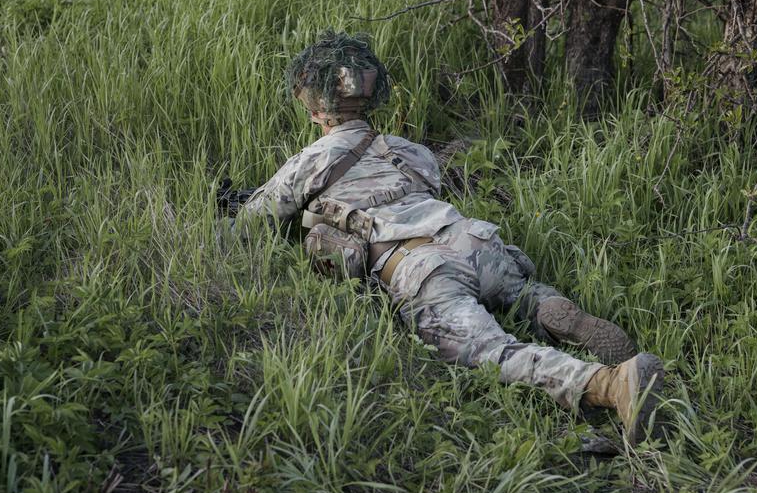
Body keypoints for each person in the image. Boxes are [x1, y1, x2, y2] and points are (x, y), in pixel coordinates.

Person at [239, 31, 665, 444]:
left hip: (420, 266)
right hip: (473, 238)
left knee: (487, 350)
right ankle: (543, 302)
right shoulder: (408, 150)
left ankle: (611, 384)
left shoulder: (307, 162)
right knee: (515, 290)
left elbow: (251, 221)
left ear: (315, 109)